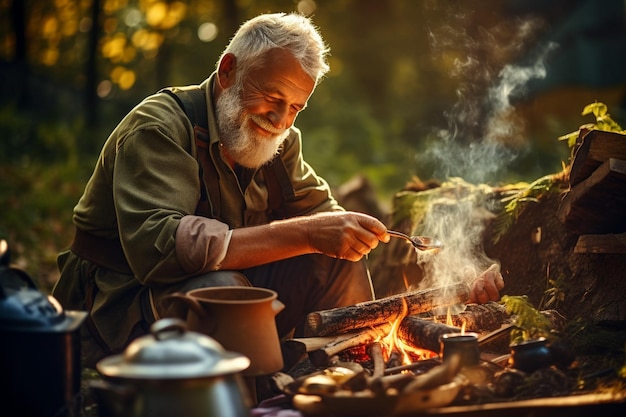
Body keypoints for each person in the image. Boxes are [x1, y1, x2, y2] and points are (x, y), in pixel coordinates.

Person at [52, 12, 504, 368]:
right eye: (272, 97)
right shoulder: (157, 129)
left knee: (335, 259)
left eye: (296, 107)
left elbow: (330, 222)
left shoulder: (279, 142)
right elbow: (161, 251)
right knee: (228, 292)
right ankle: (248, 400)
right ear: (228, 72)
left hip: (220, 291)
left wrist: (459, 273)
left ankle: (343, 374)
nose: (281, 119)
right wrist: (306, 233)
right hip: (121, 306)